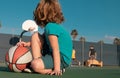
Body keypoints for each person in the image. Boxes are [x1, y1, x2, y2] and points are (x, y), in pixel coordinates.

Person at [17, 0, 72, 76]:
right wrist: (27, 44)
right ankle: (39, 62)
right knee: (35, 35)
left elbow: (56, 49)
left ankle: (55, 69)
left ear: (41, 13)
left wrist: (56, 68)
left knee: (35, 65)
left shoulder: (51, 27)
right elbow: (40, 40)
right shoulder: (50, 27)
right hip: (53, 54)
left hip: (61, 59)